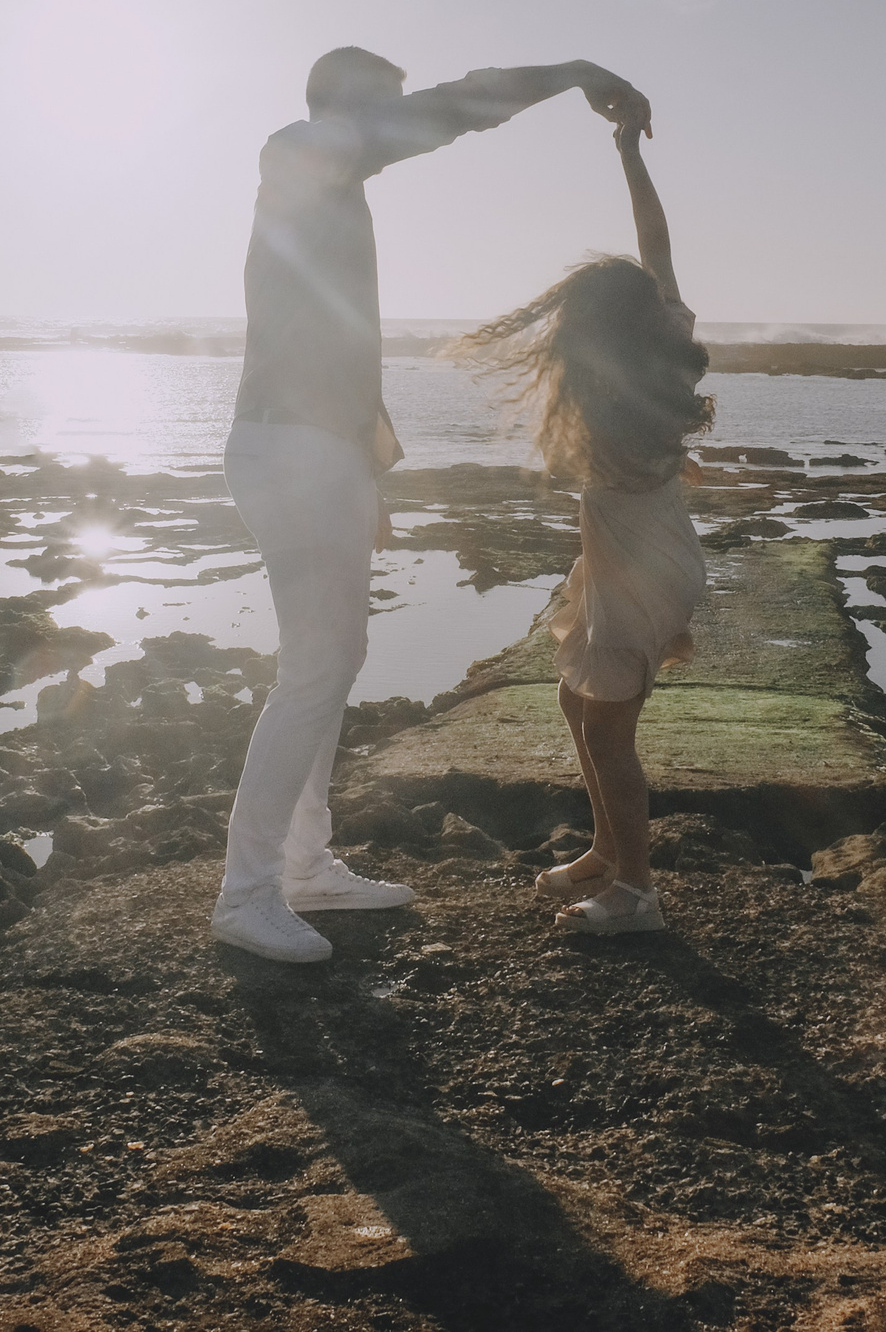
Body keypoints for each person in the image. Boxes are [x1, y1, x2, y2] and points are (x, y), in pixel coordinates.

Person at [212, 47, 653, 964]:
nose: (408, 116)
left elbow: (333, 344)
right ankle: (247, 892)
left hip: (318, 453)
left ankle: (303, 865)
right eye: (390, 102)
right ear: (346, 103)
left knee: (327, 660)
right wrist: (570, 71)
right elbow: (455, 110)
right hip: (290, 450)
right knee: (317, 666)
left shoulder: (332, 194)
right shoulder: (296, 151)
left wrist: (366, 476)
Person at [453, 118, 711, 934]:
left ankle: (637, 893)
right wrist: (630, 154)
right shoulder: (662, 352)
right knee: (578, 700)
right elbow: (658, 243)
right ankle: (606, 850)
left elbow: (655, 251)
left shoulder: (616, 398)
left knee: (608, 730)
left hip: (640, 566)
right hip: (627, 560)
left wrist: (628, 152)